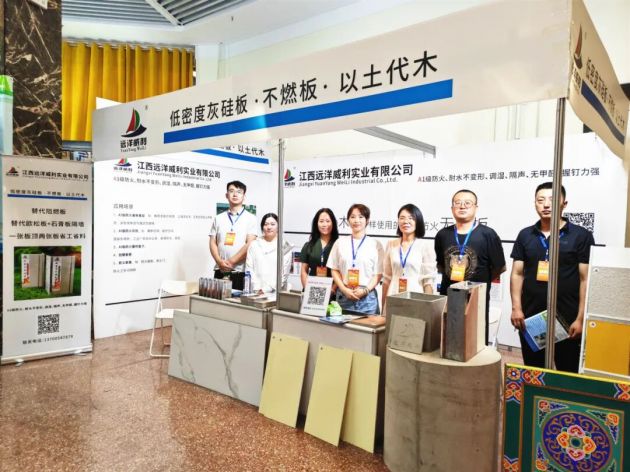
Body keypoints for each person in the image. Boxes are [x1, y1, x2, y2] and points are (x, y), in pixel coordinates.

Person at [510, 182, 594, 373]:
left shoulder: (580, 236)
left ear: (564, 203)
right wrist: (516, 308)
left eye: (553, 199)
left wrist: (581, 318)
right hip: (532, 318)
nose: (546, 204)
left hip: (568, 319)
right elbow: (517, 273)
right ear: (535, 203)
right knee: (534, 371)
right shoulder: (525, 235)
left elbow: (585, 279)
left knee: (568, 371)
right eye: (541, 200)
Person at [434, 189, 506, 344]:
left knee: (476, 340)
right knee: (448, 339)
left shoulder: (488, 234)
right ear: (452, 208)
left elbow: (499, 267)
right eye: (458, 203)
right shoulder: (442, 234)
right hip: (449, 296)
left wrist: (480, 282)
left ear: (476, 207)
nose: (462, 206)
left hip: (476, 299)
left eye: (467, 203)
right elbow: (441, 265)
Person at [327, 204, 384, 315]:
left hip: (367, 299)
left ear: (367, 220)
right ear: (348, 220)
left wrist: (365, 290)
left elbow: (378, 273)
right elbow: (334, 269)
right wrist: (344, 289)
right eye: (352, 217)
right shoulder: (339, 243)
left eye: (361, 217)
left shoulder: (375, 244)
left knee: (368, 327)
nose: (356, 220)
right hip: (344, 296)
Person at [382, 204, 436, 315]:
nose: (406, 221)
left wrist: (428, 310)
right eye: (402, 218)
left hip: (416, 298)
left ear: (418, 221)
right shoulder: (391, 244)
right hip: (393, 296)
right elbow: (387, 279)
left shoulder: (425, 245)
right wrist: (383, 307)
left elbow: (428, 281)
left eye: (411, 218)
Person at [209, 181, 258, 290]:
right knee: (218, 300)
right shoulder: (218, 218)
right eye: (231, 191)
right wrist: (219, 262)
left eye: (239, 192)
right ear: (226, 195)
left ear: (244, 196)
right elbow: (212, 242)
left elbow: (250, 244)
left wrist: (231, 262)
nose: (235, 194)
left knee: (237, 300)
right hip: (220, 269)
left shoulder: (251, 218)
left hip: (239, 271)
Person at [246, 213, 292, 293]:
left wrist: (266, 289)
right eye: (266, 224)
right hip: (256, 291)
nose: (269, 227)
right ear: (262, 227)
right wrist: (257, 288)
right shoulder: (254, 244)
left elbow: (284, 274)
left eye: (272, 224)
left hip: (276, 292)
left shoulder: (285, 246)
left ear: (278, 226)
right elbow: (249, 268)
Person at [300, 208, 339, 288]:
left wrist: (333, 289)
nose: (324, 224)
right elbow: (304, 270)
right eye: (321, 221)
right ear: (316, 224)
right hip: (312, 288)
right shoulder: (308, 245)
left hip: (333, 289)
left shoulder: (339, 245)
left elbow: (342, 272)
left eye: (328, 221)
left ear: (333, 223)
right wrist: (307, 289)